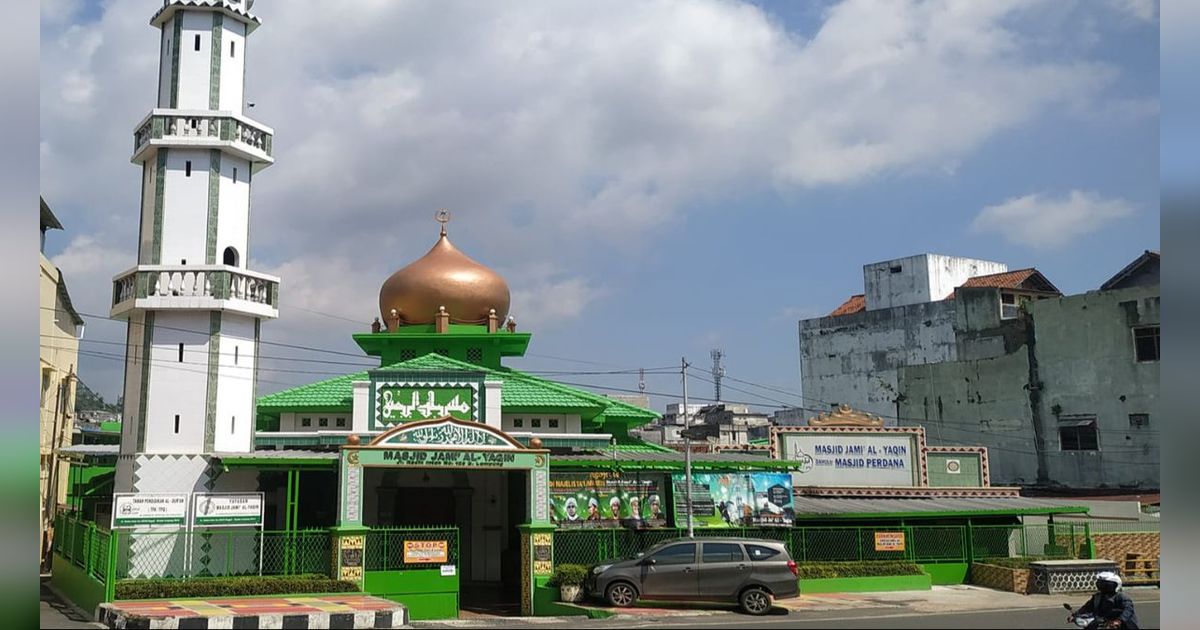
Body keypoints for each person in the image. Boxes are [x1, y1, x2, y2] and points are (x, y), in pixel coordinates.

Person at [1068, 572, 1139, 629]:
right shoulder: (1098, 596)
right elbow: (1087, 607)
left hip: (1122, 624)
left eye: (1105, 584)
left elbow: (1128, 609)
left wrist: (1119, 621)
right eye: (1100, 583)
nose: (1101, 585)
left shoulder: (1120, 597)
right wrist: (1076, 615)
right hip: (1102, 622)